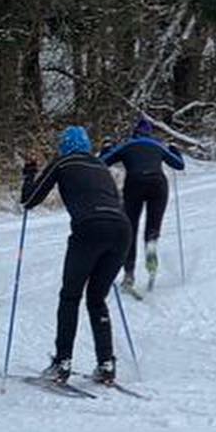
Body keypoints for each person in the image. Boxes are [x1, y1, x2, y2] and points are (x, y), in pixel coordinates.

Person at [21, 125, 131, 386]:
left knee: (70, 296)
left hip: (90, 228)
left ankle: (62, 363)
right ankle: (106, 364)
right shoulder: (100, 165)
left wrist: (29, 174)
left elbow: (30, 200)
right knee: (96, 298)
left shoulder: (63, 162)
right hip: (121, 230)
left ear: (64, 146)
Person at [101, 117, 185, 294]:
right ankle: (151, 247)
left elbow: (103, 161)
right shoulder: (157, 145)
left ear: (135, 133)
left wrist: (106, 147)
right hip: (158, 185)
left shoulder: (128, 145)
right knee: (152, 227)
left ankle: (129, 273)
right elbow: (179, 164)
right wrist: (174, 149)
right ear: (150, 133)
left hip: (135, 185)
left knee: (129, 229)